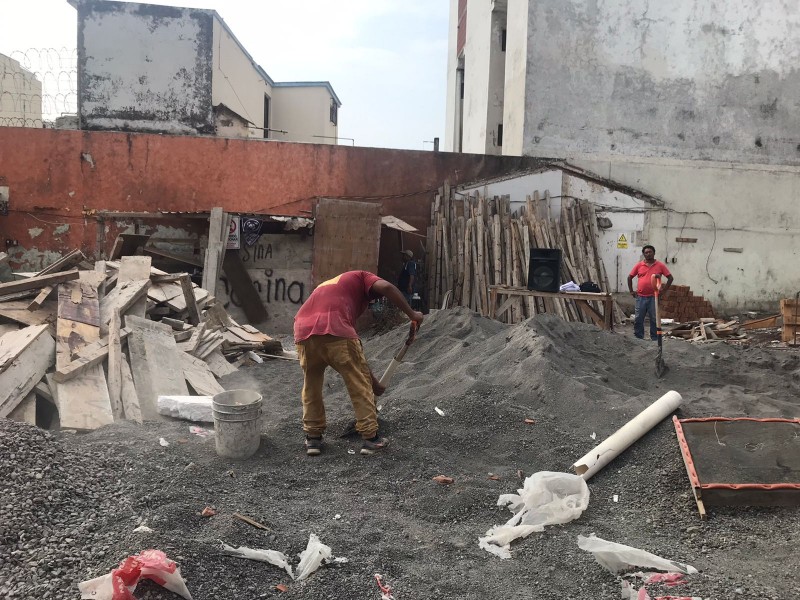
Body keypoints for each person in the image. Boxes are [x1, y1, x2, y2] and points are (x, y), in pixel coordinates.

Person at [293, 271, 424, 456]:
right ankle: (371, 438)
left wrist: (375, 384)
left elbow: (356, 358)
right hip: (333, 326)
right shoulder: (362, 276)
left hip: (303, 330)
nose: (372, 302)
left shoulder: (333, 286)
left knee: (311, 384)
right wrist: (413, 314)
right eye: (372, 298)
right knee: (357, 383)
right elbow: (386, 287)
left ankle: (313, 438)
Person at [627, 245, 673, 340]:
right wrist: (631, 291)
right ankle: (638, 337)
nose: (648, 254)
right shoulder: (639, 265)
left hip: (654, 297)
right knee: (639, 318)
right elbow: (630, 277)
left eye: (650, 252)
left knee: (654, 319)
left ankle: (655, 338)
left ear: (654, 253)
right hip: (640, 297)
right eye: (646, 252)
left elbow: (670, 278)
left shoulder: (660, 265)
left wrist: (663, 291)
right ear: (644, 254)